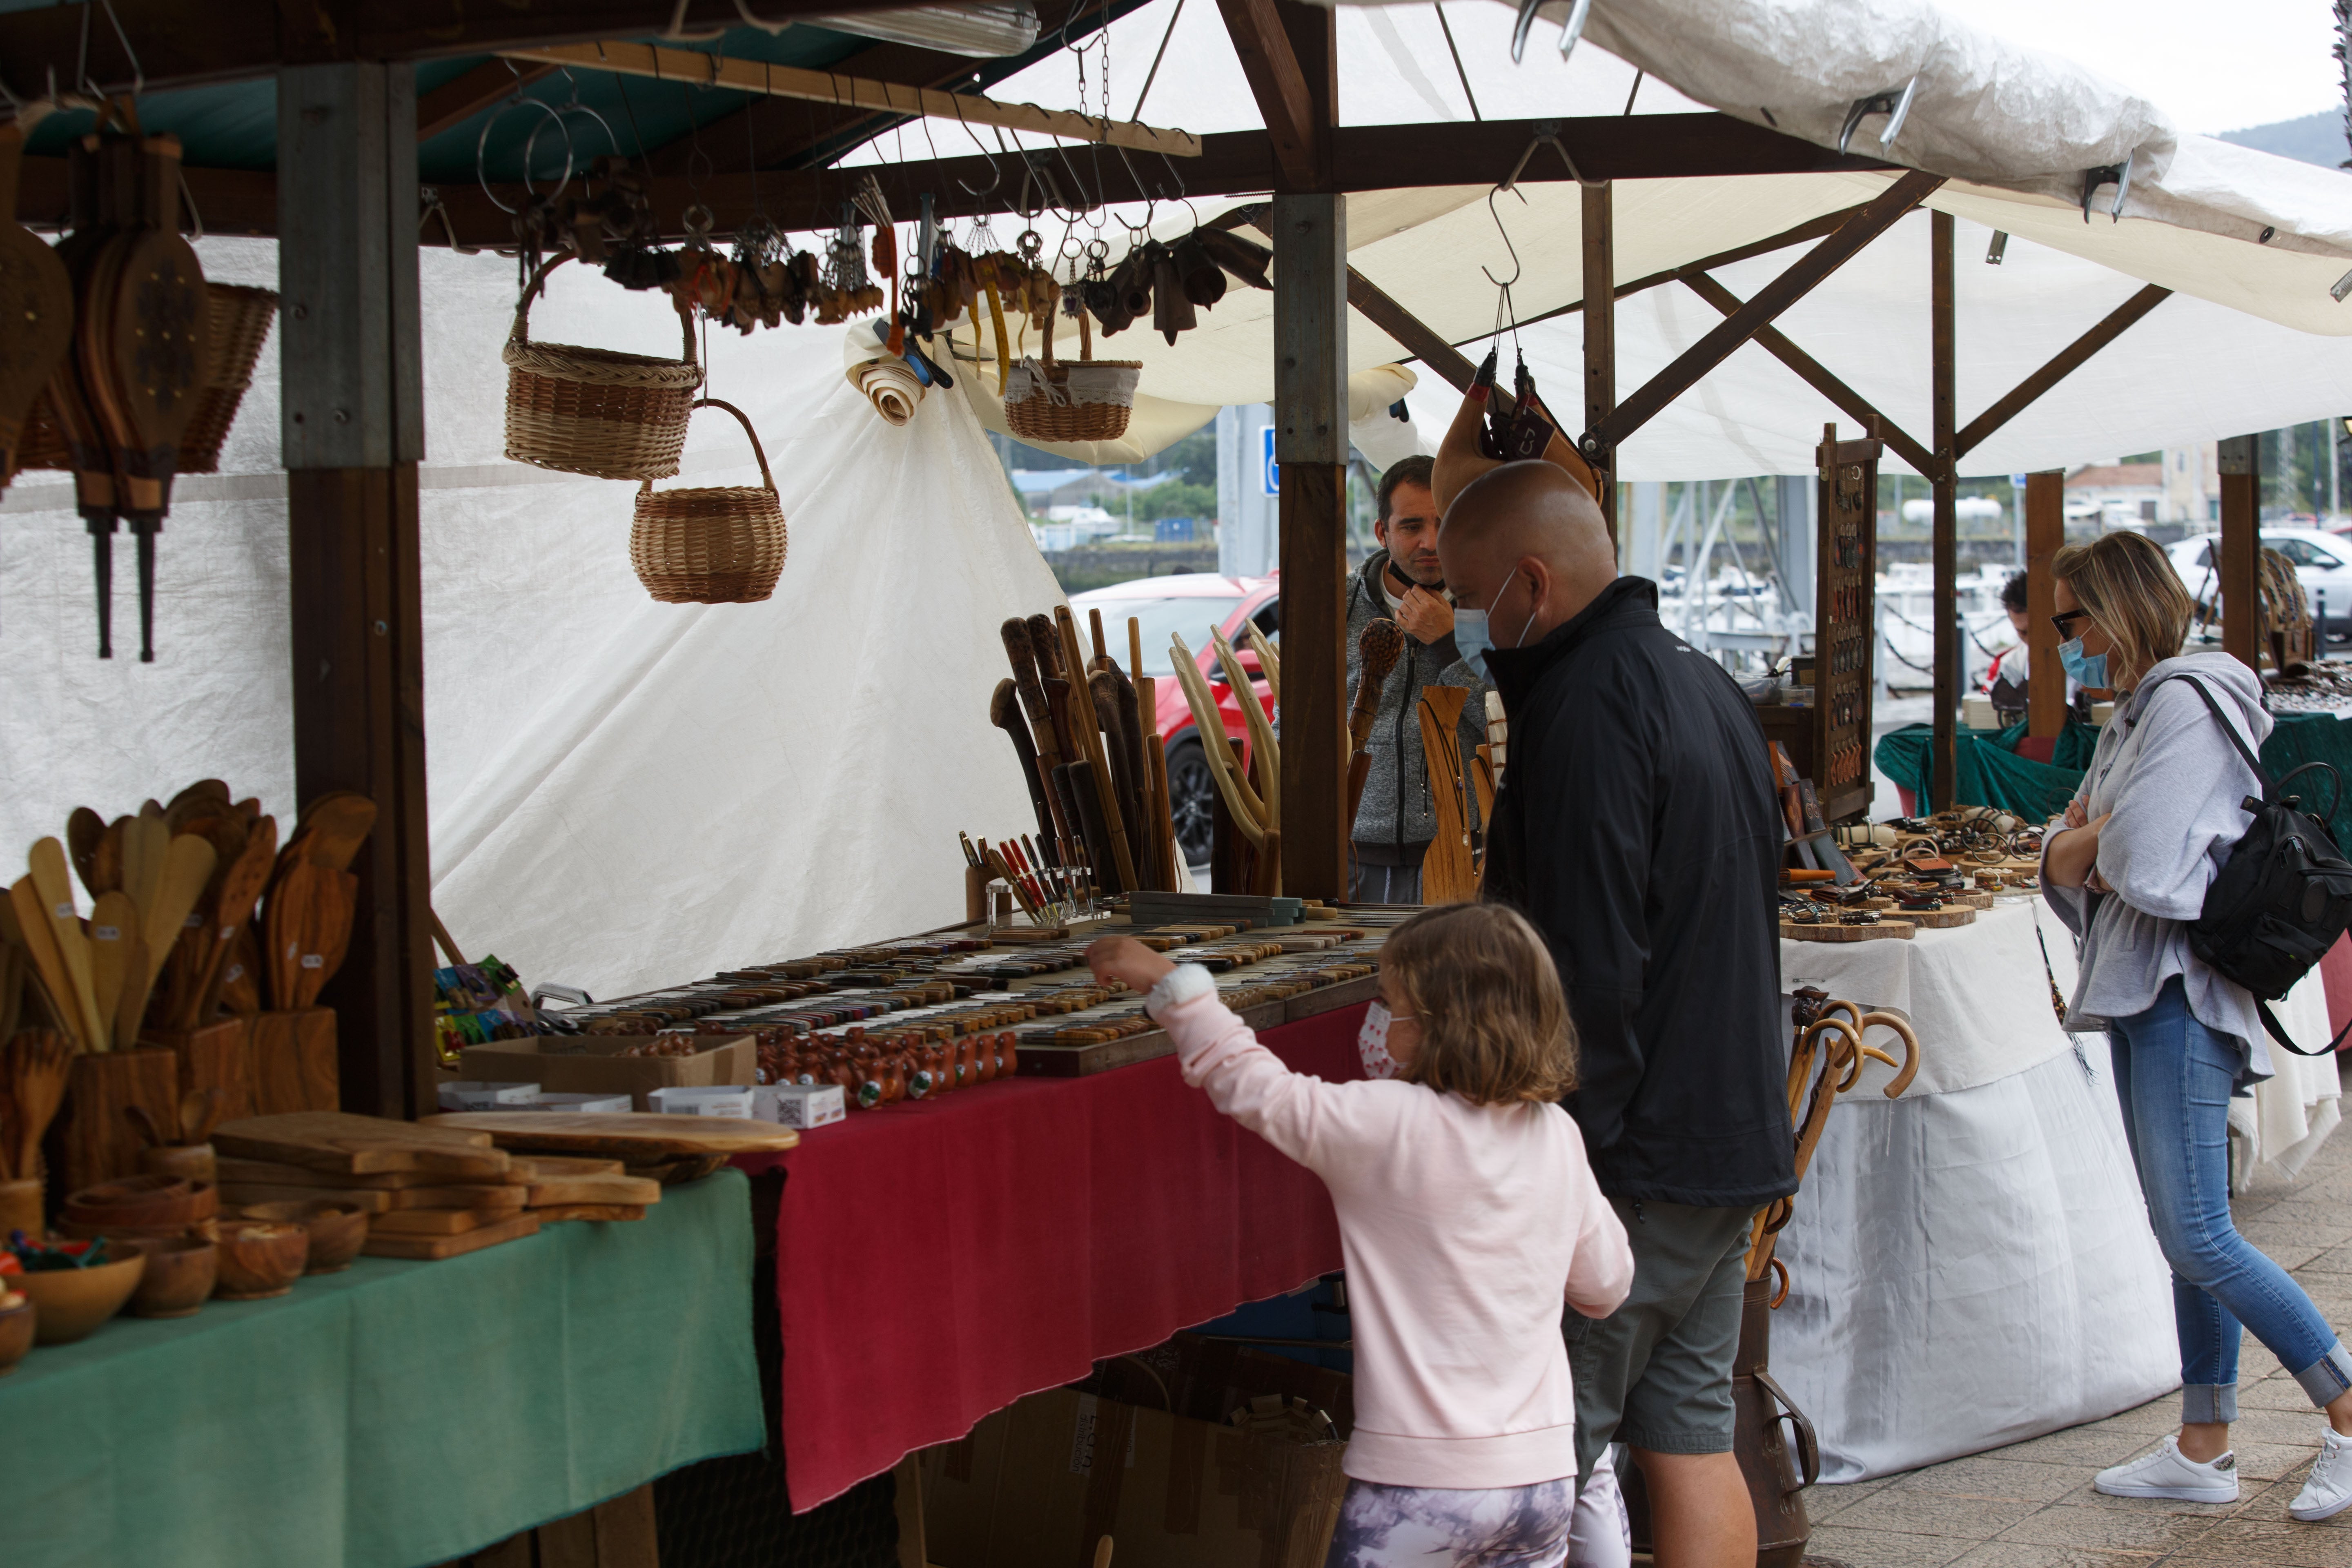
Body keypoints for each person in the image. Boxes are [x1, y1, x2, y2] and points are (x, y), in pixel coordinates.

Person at [1436, 460, 1795, 1568]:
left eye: (1468, 595)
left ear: (1529, 583)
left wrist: (1555, 1164)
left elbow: (1587, 967)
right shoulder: (1700, 678)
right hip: (1719, 1138)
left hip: (1631, 1161)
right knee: (1688, 1437)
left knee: (1537, 1463)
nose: (1461, 621)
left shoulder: (1587, 706)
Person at [1085, 904, 1634, 1568]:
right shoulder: (1556, 1134)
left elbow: (1255, 1087)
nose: (1376, 1021)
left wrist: (1174, 986)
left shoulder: (1389, 1126)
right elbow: (1606, 1288)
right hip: (1538, 1484)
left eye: (1389, 1004)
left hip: (1418, 1489)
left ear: (1437, 1023)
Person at [2040, 530, 2352, 1523]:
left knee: (2199, 1233)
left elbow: (2136, 862)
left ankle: (2347, 1408)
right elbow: (2065, 851)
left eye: (2069, 618)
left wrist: (2085, 841)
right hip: (2142, 987)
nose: (2062, 639)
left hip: (2178, 987)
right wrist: (2084, 843)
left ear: (2115, 608)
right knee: (2188, 1233)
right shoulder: (2134, 711)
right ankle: (2202, 1444)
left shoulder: (2180, 702)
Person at [1345, 455, 1490, 902]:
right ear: (1382, 532)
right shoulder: (1335, 605)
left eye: (1444, 524)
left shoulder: (1495, 606)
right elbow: (1291, 726)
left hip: (1462, 853)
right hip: (1352, 854)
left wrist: (1449, 645)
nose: (1431, 542)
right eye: (1411, 526)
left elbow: (1509, 724)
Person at [1983, 570, 2034, 723]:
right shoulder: (2009, 665)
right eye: (2023, 632)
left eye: (2038, 631)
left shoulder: (2085, 659)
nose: (2032, 640)